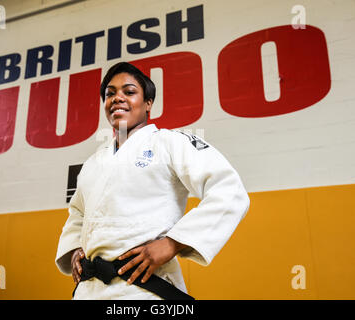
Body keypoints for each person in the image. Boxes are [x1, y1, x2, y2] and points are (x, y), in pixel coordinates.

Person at [55, 62, 250, 300]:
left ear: (148, 103)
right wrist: (74, 248)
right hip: (89, 291)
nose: (117, 98)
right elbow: (77, 213)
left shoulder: (169, 143)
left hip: (146, 289)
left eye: (128, 92)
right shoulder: (93, 163)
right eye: (110, 94)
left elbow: (229, 190)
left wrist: (173, 243)